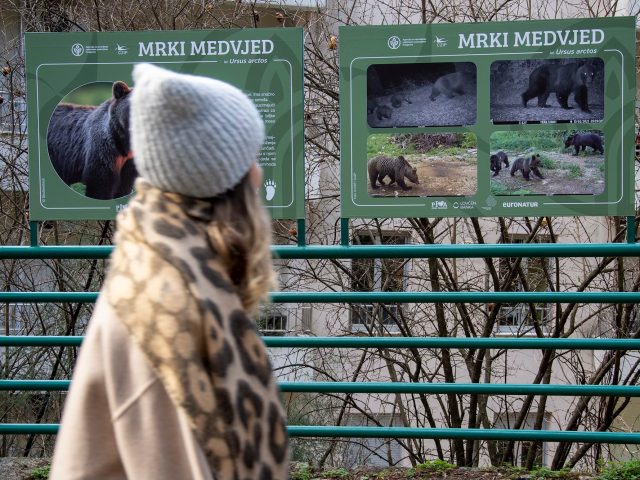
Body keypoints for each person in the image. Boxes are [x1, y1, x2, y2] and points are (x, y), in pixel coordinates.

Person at [50, 63, 289, 480]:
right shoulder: (167, 308)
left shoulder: (168, 267)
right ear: (217, 180)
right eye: (247, 157)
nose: (258, 173)